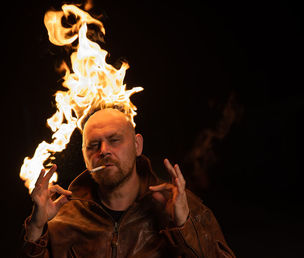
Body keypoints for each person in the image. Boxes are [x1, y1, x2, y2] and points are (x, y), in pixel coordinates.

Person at [21, 108, 235, 257]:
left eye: (114, 140)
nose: (104, 151)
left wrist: (184, 225)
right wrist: (36, 228)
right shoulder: (62, 219)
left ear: (137, 145)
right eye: (94, 145)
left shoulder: (183, 207)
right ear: (84, 156)